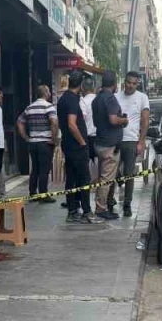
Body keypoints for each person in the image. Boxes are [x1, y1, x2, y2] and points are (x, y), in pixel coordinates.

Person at [57, 70, 96, 223]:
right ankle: (86, 211)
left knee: (71, 178)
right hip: (77, 147)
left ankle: (72, 210)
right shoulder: (73, 100)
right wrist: (82, 142)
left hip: (68, 145)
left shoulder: (63, 99)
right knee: (84, 178)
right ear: (81, 85)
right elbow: (72, 125)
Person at [111, 70, 150, 218]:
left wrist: (141, 141)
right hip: (115, 140)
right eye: (128, 82)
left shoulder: (142, 98)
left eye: (134, 83)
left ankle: (127, 204)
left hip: (131, 140)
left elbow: (145, 120)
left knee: (129, 174)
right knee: (112, 173)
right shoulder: (115, 97)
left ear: (137, 84)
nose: (130, 86)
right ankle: (109, 201)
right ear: (124, 81)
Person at [91, 71, 128, 219]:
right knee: (106, 179)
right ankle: (101, 209)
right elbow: (113, 120)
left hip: (100, 142)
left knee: (103, 176)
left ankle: (102, 204)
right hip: (110, 145)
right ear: (114, 84)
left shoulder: (96, 99)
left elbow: (96, 122)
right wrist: (123, 120)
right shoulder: (110, 99)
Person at [17, 84, 59, 202]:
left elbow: (19, 121)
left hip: (33, 142)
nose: (49, 93)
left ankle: (32, 193)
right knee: (44, 169)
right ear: (45, 93)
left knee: (35, 168)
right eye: (48, 91)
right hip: (45, 142)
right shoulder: (49, 106)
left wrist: (25, 136)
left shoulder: (29, 108)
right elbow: (54, 122)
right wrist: (54, 138)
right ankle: (43, 194)